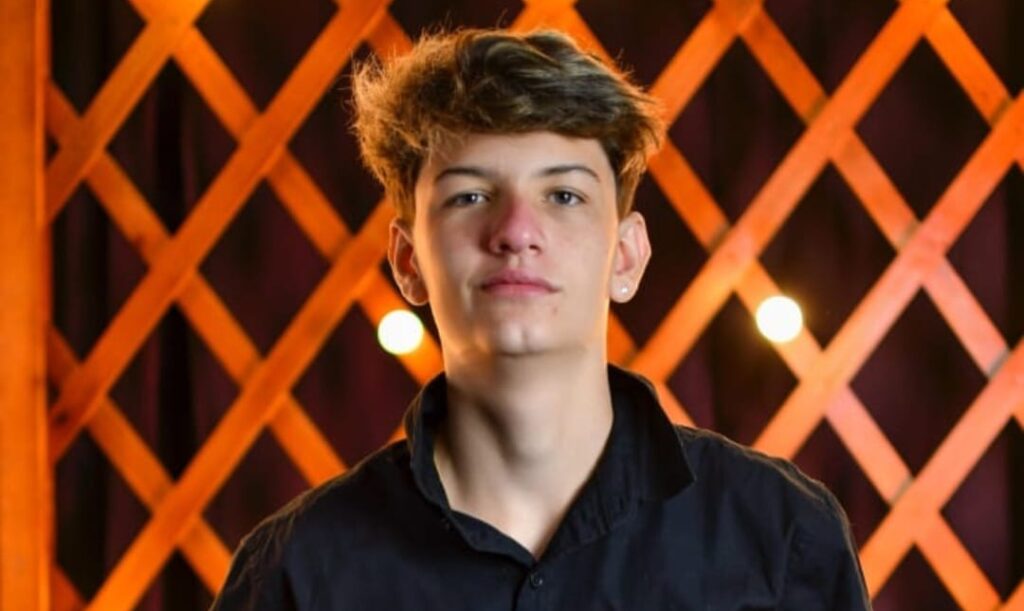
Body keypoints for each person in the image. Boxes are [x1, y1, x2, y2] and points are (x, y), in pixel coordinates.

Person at [211, 28, 871, 610]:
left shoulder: (780, 537)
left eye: (564, 194)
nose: (516, 231)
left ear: (626, 255)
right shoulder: (297, 572)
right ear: (409, 261)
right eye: (471, 195)